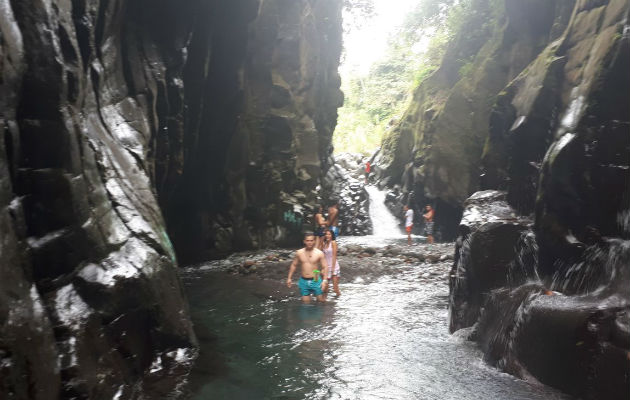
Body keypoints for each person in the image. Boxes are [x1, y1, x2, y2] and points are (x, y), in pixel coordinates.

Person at [287, 232, 329, 303]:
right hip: (304, 280)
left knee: (320, 301)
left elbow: (325, 266)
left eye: (311, 240)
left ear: (314, 241)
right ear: (304, 241)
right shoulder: (299, 253)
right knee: (306, 304)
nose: (309, 242)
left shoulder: (319, 253)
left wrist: (324, 281)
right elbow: (294, 265)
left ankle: (324, 300)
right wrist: (289, 278)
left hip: (315, 279)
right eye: (307, 241)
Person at [319, 228, 341, 297]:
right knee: (325, 288)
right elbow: (319, 251)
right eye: (326, 234)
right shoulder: (324, 244)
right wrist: (322, 238)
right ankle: (325, 303)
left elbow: (334, 256)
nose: (327, 236)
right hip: (326, 267)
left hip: (334, 267)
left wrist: (333, 269)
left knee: (335, 288)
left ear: (332, 235)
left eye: (329, 234)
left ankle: (338, 299)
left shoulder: (333, 243)